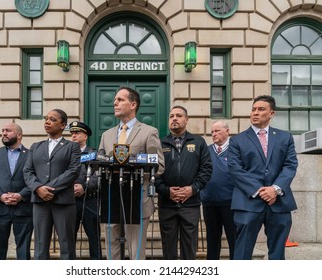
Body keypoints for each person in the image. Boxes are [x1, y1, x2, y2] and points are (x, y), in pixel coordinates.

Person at [228, 95, 298, 260]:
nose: (255, 113)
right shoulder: (237, 140)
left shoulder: (285, 137)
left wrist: (275, 189)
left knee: (277, 255)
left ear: (271, 113)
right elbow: (235, 169)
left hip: (279, 204)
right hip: (248, 203)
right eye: (253, 109)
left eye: (261, 109)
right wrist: (259, 191)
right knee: (242, 254)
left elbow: (290, 165)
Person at [99, 86, 165, 260]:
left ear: (133, 104)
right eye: (115, 100)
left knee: (135, 248)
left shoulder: (149, 132)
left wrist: (135, 167)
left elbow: (159, 165)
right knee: (111, 245)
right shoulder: (107, 135)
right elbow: (100, 162)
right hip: (111, 196)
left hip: (137, 197)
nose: (115, 103)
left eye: (120, 100)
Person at [156, 105, 212, 260]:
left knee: (189, 247)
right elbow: (154, 172)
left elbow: (206, 169)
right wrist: (166, 191)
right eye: (171, 116)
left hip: (190, 204)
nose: (174, 118)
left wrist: (193, 189)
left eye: (179, 115)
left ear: (186, 120)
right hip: (167, 204)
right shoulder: (160, 144)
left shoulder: (199, 142)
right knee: (168, 248)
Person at [23, 109, 81, 260]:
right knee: (40, 247)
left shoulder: (72, 147)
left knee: (67, 246)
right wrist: (37, 188)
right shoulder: (36, 146)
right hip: (40, 202)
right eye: (46, 119)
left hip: (63, 202)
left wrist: (49, 188)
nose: (47, 122)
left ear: (62, 125)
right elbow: (27, 171)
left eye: (52, 119)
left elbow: (73, 171)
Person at [0, 123, 33, 260]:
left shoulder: (31, 155)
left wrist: (21, 195)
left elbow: (35, 180)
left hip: (24, 208)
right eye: (2, 130)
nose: (4, 133)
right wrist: (1, 196)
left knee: (24, 250)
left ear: (19, 135)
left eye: (8, 131)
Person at [200, 120, 236, 260]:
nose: (214, 134)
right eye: (212, 132)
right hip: (209, 202)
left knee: (234, 239)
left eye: (217, 131)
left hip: (231, 202)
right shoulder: (206, 151)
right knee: (212, 240)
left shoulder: (235, 149)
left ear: (227, 131)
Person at [69, 121, 102, 260]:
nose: (74, 136)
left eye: (77, 133)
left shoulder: (95, 153)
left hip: (89, 200)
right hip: (70, 200)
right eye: (72, 133)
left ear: (85, 136)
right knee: (69, 237)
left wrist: (84, 187)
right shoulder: (67, 153)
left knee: (94, 237)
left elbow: (98, 175)